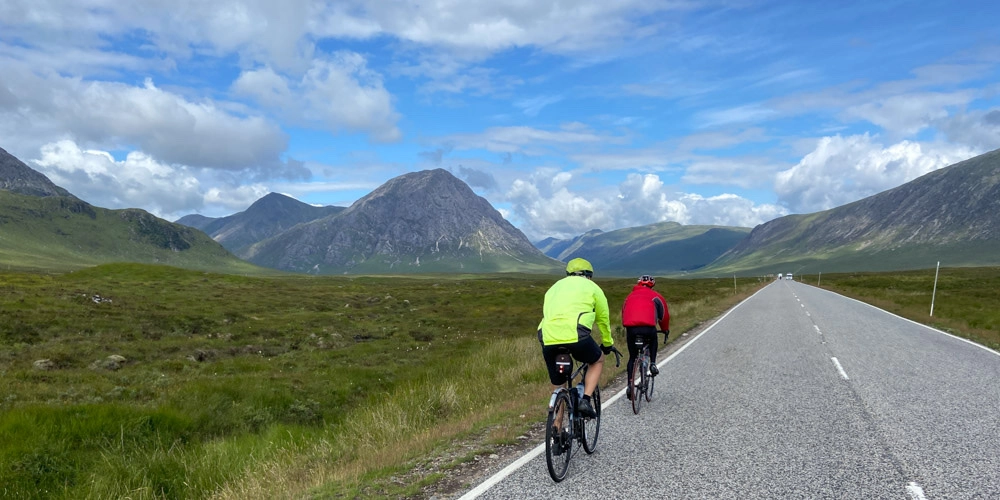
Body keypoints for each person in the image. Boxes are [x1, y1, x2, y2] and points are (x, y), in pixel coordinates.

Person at [538, 257, 614, 419]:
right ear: (589, 275)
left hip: (547, 337)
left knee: (559, 385)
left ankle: (557, 429)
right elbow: (603, 319)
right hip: (577, 336)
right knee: (597, 360)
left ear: (568, 273)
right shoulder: (593, 287)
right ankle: (585, 400)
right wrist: (607, 344)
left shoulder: (554, 287)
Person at [621, 275, 670, 399]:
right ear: (652, 285)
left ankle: (629, 385)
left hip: (631, 328)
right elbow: (664, 316)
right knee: (653, 339)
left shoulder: (629, 297)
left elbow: (624, 312)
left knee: (632, 357)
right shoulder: (656, 296)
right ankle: (653, 363)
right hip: (648, 328)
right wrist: (664, 329)